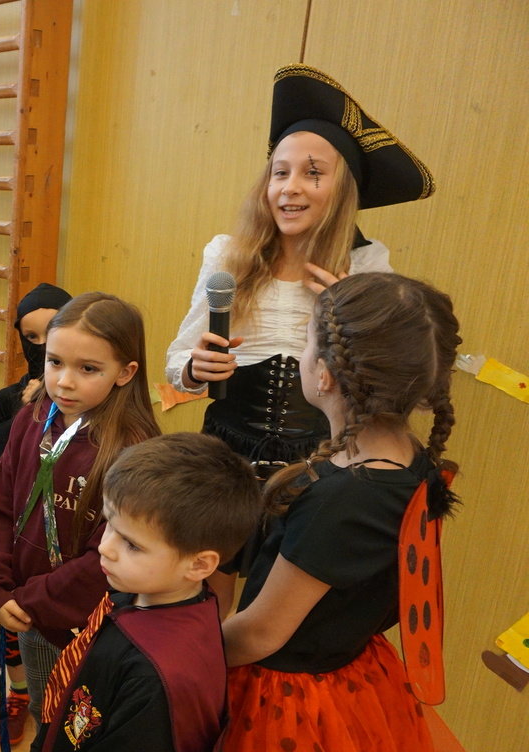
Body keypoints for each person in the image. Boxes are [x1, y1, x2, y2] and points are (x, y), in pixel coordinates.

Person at [198, 273, 508, 752]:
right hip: (352, 677)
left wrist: (181, 658)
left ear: (324, 375)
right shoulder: (409, 458)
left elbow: (261, 632)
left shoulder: (343, 501)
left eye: (306, 340)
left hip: (291, 706)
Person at [0, 432, 261, 752]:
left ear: (199, 565)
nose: (106, 549)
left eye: (132, 544)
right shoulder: (137, 594)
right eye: (109, 525)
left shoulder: (160, 679)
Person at [165, 64, 434, 479]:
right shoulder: (227, 256)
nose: (290, 187)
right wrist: (193, 368)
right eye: (280, 172)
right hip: (223, 460)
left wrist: (350, 314)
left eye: (313, 173)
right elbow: (178, 361)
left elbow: (388, 386)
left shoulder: (367, 267)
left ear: (343, 190)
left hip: (321, 462)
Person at [0, 293, 161, 748]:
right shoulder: (31, 419)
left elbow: (108, 557)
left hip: (96, 629)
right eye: (54, 362)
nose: (64, 381)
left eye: (88, 369)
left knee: (81, 734)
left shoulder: (135, 450)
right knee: (46, 716)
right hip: (34, 620)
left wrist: (29, 598)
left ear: (125, 373)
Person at [0, 281, 73, 745]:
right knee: (14, 621)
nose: (41, 347)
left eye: (51, 333)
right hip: (19, 537)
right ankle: (17, 694)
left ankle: (62, 698)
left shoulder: (90, 405)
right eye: (31, 338)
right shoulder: (9, 402)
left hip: (69, 542)